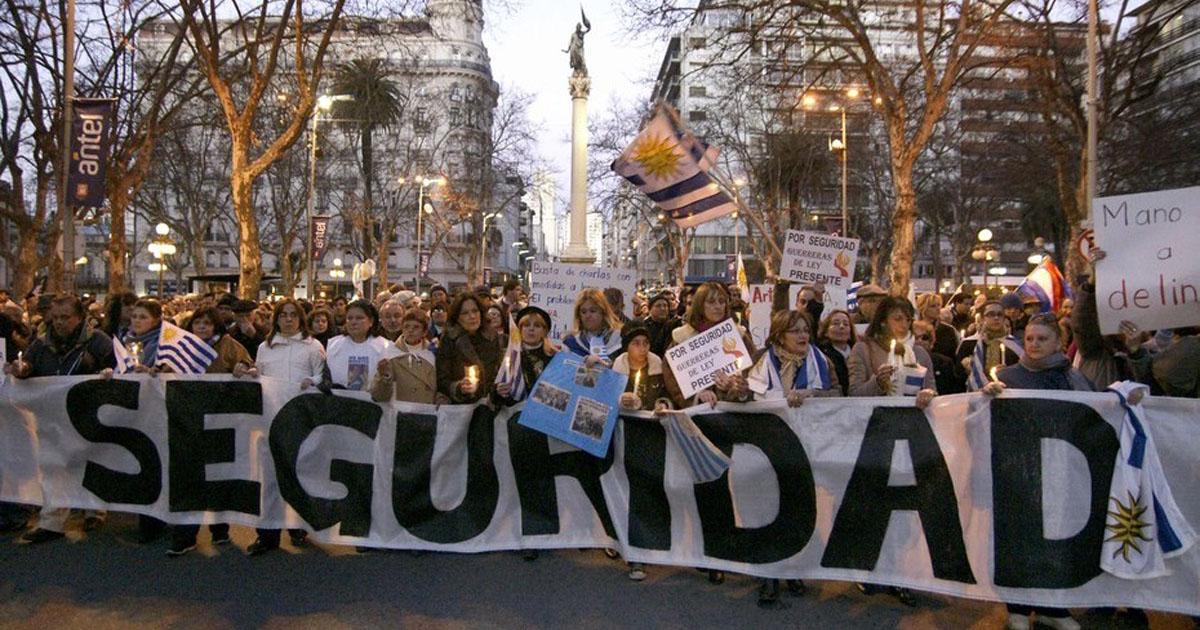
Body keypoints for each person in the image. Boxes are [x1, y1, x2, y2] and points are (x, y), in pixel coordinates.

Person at [981, 313, 1089, 630]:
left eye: (1042, 339)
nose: (1034, 344)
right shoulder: (1007, 377)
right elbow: (980, 419)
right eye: (1029, 338)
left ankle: (1052, 609)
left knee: (1056, 537)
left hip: (1060, 470)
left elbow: (1098, 410)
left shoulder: (1073, 378)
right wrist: (985, 397)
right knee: (1018, 535)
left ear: (1059, 342)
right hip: (1018, 471)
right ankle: (1017, 607)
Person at [6, 294, 115, 544]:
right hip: (52, 417)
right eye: (55, 317)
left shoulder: (99, 342)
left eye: (65, 317)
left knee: (89, 463)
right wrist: (21, 371)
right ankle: (51, 522)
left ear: (80, 318)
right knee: (54, 467)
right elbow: (28, 366)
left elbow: (119, 373)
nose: (59, 323)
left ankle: (93, 510)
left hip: (88, 415)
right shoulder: (41, 344)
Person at [167, 307, 253, 557]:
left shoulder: (228, 345)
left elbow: (247, 363)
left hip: (220, 421)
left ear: (216, 326)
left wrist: (241, 367)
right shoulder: (182, 345)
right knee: (189, 480)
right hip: (187, 422)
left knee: (218, 476)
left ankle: (220, 527)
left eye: (207, 323)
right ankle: (185, 535)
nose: (202, 327)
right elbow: (166, 367)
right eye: (197, 323)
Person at [249, 298, 326, 556]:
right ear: (277, 319)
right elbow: (259, 375)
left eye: (294, 315)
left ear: (301, 319)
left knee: (298, 474)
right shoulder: (265, 347)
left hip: (300, 419)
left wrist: (311, 381)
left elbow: (323, 376)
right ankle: (267, 534)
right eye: (284, 315)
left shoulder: (313, 347)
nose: (289, 319)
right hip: (271, 419)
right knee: (269, 478)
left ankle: (297, 526)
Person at [669, 281, 756, 407]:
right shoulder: (681, 338)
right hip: (698, 417)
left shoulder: (739, 335)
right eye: (711, 302)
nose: (718, 306)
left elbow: (755, 372)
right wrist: (697, 396)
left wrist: (739, 389)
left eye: (722, 302)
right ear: (699, 305)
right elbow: (673, 381)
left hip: (734, 415)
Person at [847, 296, 936, 405]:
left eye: (908, 320)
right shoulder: (863, 349)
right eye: (898, 319)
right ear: (882, 322)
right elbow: (854, 394)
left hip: (912, 417)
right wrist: (878, 383)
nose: (904, 325)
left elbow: (931, 389)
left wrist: (928, 394)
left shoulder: (919, 353)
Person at [747, 310, 841, 406]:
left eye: (806, 330)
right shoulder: (760, 358)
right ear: (780, 337)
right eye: (796, 331)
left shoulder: (822, 360)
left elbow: (837, 393)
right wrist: (740, 392)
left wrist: (811, 394)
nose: (803, 335)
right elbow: (749, 392)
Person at [437, 292, 505, 404]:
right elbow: (442, 379)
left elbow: (498, 372)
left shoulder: (493, 337)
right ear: (457, 317)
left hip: (489, 406)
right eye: (465, 313)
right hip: (462, 408)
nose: (472, 316)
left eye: (475, 311)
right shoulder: (450, 339)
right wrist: (460, 387)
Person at [371, 309, 440, 404]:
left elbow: (439, 385)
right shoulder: (391, 353)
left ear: (424, 332)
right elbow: (378, 396)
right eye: (406, 327)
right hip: (401, 412)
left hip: (427, 411)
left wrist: (441, 397)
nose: (410, 330)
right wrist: (384, 376)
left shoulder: (432, 352)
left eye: (416, 327)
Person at [494, 306, 557, 407]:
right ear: (520, 329)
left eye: (537, 326)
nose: (531, 329)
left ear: (545, 331)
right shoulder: (508, 355)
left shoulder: (554, 356)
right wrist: (500, 391)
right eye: (526, 325)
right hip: (513, 411)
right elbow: (494, 393)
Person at [325, 299, 393, 392]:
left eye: (359, 318)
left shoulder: (385, 346)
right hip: (339, 401)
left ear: (371, 321)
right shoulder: (334, 345)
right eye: (349, 318)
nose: (353, 322)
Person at [955, 300, 1022, 392]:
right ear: (982, 318)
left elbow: (1022, 371)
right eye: (991, 314)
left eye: (1000, 314)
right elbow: (957, 374)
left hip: (1008, 392)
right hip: (976, 394)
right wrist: (969, 369)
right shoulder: (969, 343)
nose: (996, 318)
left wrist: (1007, 371)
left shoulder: (1014, 345)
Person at [562, 287, 624, 361]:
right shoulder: (571, 343)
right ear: (579, 316)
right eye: (583, 312)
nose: (588, 316)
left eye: (593, 311)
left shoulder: (620, 338)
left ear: (603, 312)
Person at [914, 320, 961, 396]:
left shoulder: (945, 363)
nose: (920, 341)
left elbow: (953, 393)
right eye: (916, 337)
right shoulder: (905, 361)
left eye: (925, 337)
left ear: (931, 341)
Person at [816, 309, 854, 396]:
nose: (841, 327)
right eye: (835, 323)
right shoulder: (821, 354)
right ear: (826, 331)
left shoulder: (859, 352)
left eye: (846, 324)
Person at [916, 293, 958, 359]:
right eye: (933, 306)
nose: (938, 308)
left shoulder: (948, 330)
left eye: (938, 305)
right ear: (923, 308)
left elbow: (952, 355)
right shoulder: (915, 329)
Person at [641, 292, 680, 357]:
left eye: (665, 306)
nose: (662, 308)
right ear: (650, 309)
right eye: (658, 306)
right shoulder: (643, 327)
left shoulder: (676, 323)